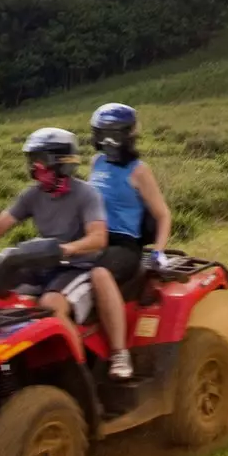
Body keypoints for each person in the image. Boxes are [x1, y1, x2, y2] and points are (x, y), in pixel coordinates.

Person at [0, 128, 107, 358]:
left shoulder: (86, 194)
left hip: (77, 268)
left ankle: (76, 369)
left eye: (40, 161)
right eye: (31, 161)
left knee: (51, 305)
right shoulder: (32, 195)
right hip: (42, 263)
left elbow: (98, 238)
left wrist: (68, 248)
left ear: (62, 163)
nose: (34, 168)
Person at [84, 102, 174, 381]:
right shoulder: (95, 163)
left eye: (109, 134)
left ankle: (119, 353)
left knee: (99, 274)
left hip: (124, 245)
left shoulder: (139, 171)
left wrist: (158, 251)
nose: (105, 140)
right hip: (92, 239)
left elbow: (162, 214)